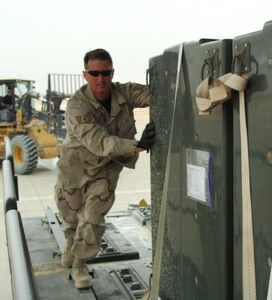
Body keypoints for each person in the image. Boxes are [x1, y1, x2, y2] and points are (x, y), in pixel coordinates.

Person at [54, 48, 155, 289]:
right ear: (85, 75)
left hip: (107, 168)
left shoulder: (124, 92)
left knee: (92, 217)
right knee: (70, 218)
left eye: (106, 72)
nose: (101, 78)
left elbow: (158, 95)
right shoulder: (76, 106)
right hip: (75, 169)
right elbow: (100, 142)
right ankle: (71, 242)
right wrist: (138, 145)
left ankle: (80, 263)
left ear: (112, 72)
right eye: (95, 73)